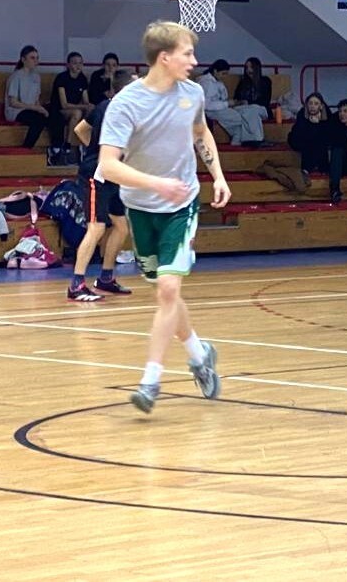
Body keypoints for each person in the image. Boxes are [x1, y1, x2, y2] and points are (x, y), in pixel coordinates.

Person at [97, 21, 231, 414]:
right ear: (164, 58)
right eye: (187, 53)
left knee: (169, 290)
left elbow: (201, 133)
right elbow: (109, 165)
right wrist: (155, 183)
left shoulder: (193, 93)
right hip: (141, 208)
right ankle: (199, 354)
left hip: (182, 205)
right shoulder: (126, 103)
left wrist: (218, 175)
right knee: (165, 292)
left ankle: (150, 382)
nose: (194, 60)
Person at [68, 69, 136, 302]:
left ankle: (106, 278)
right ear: (126, 89)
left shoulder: (112, 107)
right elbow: (79, 130)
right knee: (96, 228)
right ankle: (76, 285)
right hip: (95, 176)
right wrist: (97, 155)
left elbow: (80, 129)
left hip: (114, 175)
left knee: (121, 226)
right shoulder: (111, 109)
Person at [288, 92, 345, 203]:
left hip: (320, 144)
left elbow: (329, 136)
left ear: (321, 106)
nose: (313, 106)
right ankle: (309, 167)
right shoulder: (302, 114)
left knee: (319, 140)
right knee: (310, 139)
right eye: (310, 103)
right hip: (300, 141)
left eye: (316, 103)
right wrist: (311, 125)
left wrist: (318, 125)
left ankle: (313, 167)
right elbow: (297, 135)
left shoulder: (327, 115)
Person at [200, 58, 264, 147]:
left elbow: (222, 98)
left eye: (226, 74)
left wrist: (231, 103)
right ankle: (253, 139)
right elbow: (207, 105)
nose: (225, 76)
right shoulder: (207, 83)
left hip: (221, 108)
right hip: (212, 111)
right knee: (240, 117)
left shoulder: (218, 82)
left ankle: (240, 143)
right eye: (223, 73)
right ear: (215, 71)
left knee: (244, 119)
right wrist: (227, 104)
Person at [49, 52, 94, 165]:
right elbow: (64, 104)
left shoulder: (82, 79)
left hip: (76, 108)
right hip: (59, 110)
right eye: (74, 63)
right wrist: (84, 106)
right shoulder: (61, 78)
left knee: (92, 110)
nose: (78, 66)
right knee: (77, 113)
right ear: (68, 65)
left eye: (80, 63)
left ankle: (87, 144)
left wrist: (89, 106)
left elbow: (85, 100)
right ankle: (67, 144)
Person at [5, 46, 51, 150]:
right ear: (23, 59)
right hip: (16, 111)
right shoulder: (16, 76)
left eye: (37, 58)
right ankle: (26, 148)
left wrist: (41, 109)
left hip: (32, 110)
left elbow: (36, 100)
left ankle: (56, 148)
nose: (36, 61)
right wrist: (35, 108)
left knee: (53, 116)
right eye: (32, 58)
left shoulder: (36, 77)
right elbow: (13, 102)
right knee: (38, 120)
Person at [234, 57, 277, 123]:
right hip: (245, 109)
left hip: (260, 109)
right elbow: (236, 98)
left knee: (252, 111)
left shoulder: (265, 81)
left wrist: (248, 102)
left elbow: (265, 101)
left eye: (251, 67)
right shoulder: (242, 83)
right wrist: (240, 102)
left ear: (257, 68)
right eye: (246, 68)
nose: (248, 70)